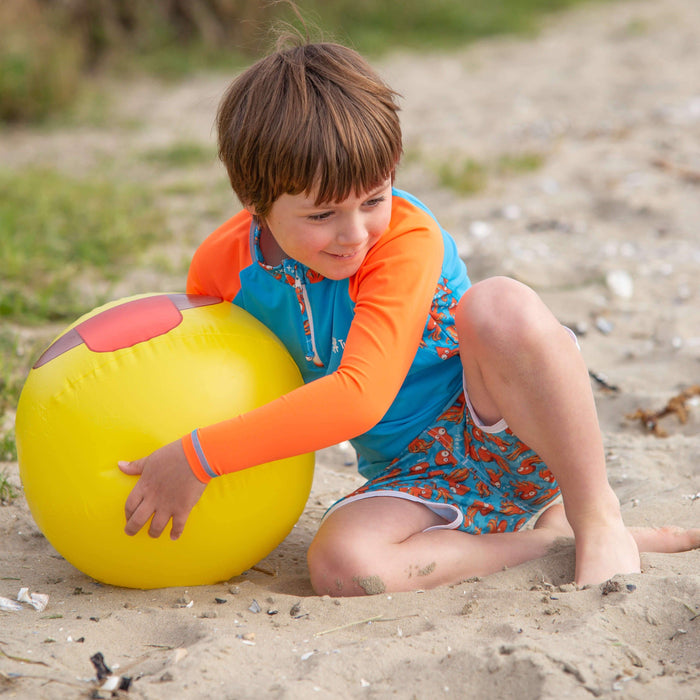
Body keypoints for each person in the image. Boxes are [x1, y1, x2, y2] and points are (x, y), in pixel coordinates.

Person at [118, 39, 698, 596]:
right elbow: (212, 376)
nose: (354, 235)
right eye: (322, 215)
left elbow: (359, 398)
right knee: (343, 567)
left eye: (374, 199)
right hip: (409, 478)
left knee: (500, 303)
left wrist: (199, 456)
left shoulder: (405, 237)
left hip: (510, 432)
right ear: (256, 203)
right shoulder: (222, 268)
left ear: (393, 167)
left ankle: (596, 519)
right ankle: (543, 545)